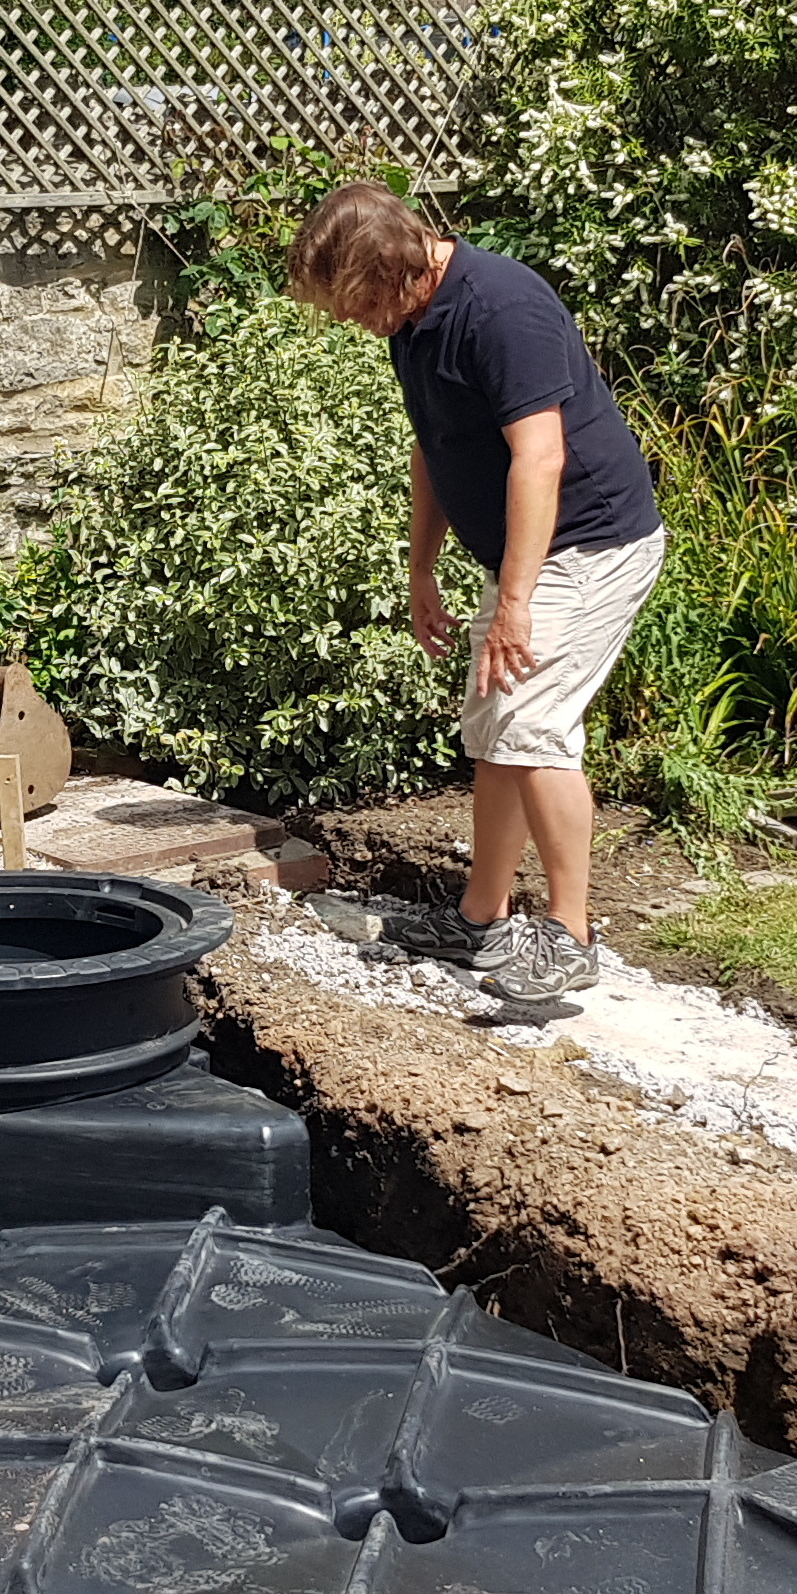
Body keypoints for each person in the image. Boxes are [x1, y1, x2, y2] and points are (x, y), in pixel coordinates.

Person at [287, 180, 665, 1000]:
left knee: (534, 726)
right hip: (530, 557)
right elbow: (434, 450)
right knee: (494, 726)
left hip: (591, 542)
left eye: (357, 303)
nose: (353, 321)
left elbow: (541, 459)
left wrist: (518, 603)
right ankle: (480, 919)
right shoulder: (411, 322)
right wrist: (422, 569)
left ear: (399, 266)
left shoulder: (502, 310)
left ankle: (571, 935)